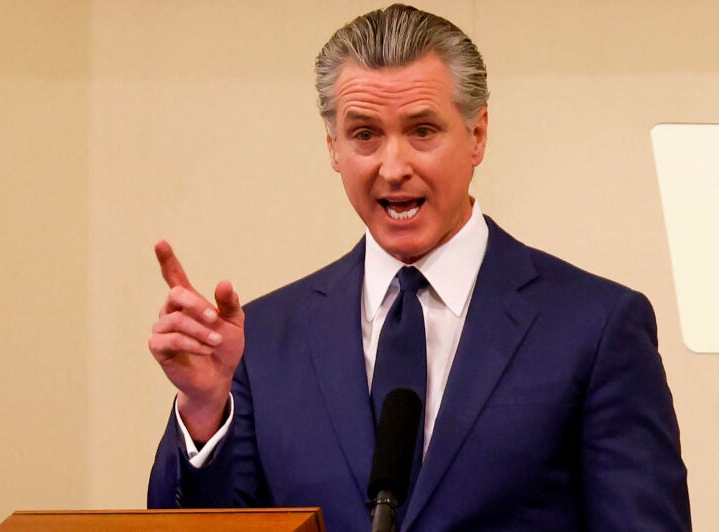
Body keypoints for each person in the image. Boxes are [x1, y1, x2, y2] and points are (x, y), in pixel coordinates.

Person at [147, 4, 690, 531]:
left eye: (422, 131)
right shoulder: (262, 340)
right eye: (365, 135)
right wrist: (203, 409)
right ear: (333, 147)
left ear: (477, 135)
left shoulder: (594, 327)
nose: (393, 167)